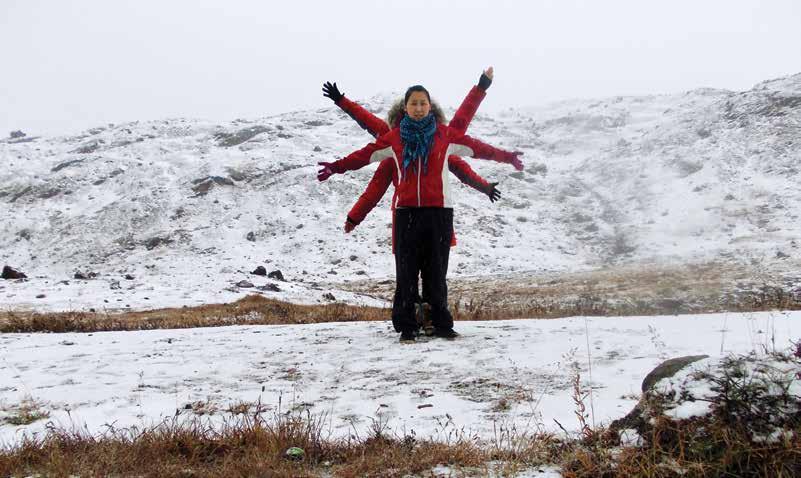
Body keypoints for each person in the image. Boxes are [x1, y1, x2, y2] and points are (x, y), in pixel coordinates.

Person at [324, 70, 523, 343]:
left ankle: (441, 324)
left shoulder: (444, 136)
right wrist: (336, 167)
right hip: (406, 215)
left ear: (430, 107)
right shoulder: (394, 139)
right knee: (406, 274)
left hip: (439, 214)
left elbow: (477, 147)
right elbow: (365, 156)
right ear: (404, 109)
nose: (418, 108)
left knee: (436, 273)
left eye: (423, 103)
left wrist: (506, 157)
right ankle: (407, 325)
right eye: (413, 103)